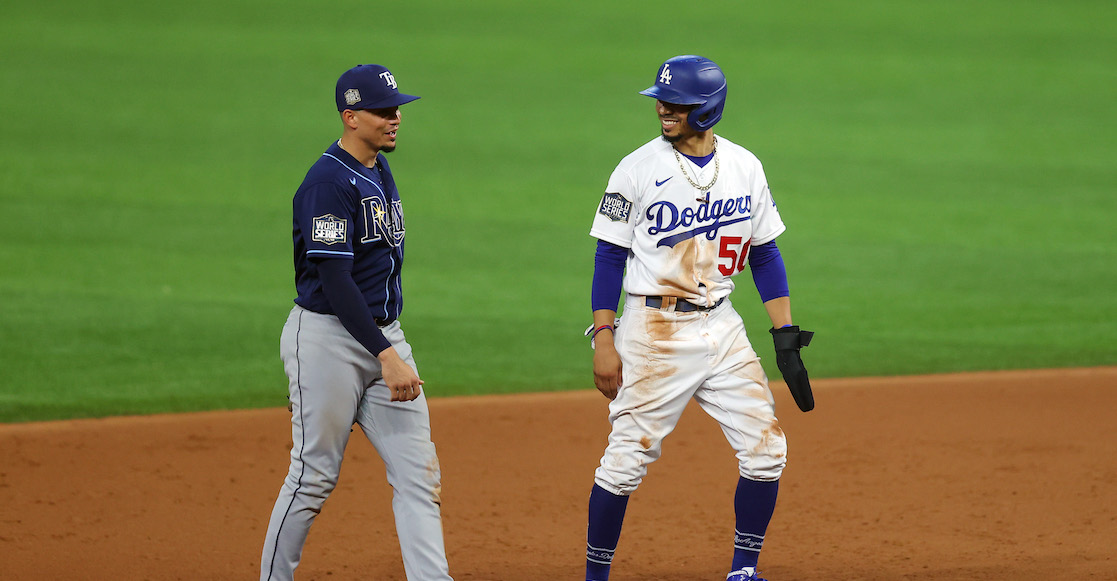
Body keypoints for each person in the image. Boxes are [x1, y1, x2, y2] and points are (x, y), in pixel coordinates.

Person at [583, 55, 815, 581]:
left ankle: (743, 570)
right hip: (654, 330)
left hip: (723, 325)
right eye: (661, 101)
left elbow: (765, 252)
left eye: (677, 104)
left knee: (767, 451)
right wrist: (603, 337)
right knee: (624, 464)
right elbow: (608, 256)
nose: (663, 109)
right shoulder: (637, 168)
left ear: (707, 110)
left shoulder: (745, 166)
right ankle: (596, 576)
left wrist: (784, 334)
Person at [260, 64, 453, 581]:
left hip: (382, 334)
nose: (395, 119)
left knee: (418, 474)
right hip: (328, 340)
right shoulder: (327, 183)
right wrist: (386, 355)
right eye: (383, 111)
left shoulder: (377, 168)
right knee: (313, 476)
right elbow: (337, 281)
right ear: (351, 116)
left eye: (397, 110)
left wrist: (389, 346)